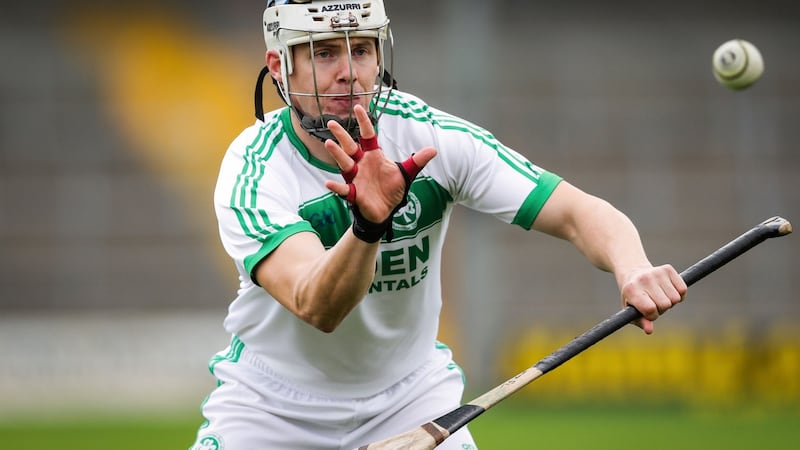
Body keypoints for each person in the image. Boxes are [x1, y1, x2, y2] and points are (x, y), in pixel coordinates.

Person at [190, 1, 688, 449]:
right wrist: (368, 224)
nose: (349, 73)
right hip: (272, 411)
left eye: (361, 50)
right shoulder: (254, 169)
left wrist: (633, 265)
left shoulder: (429, 137)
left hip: (409, 402)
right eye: (324, 53)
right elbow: (317, 306)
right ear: (279, 65)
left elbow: (579, 213)